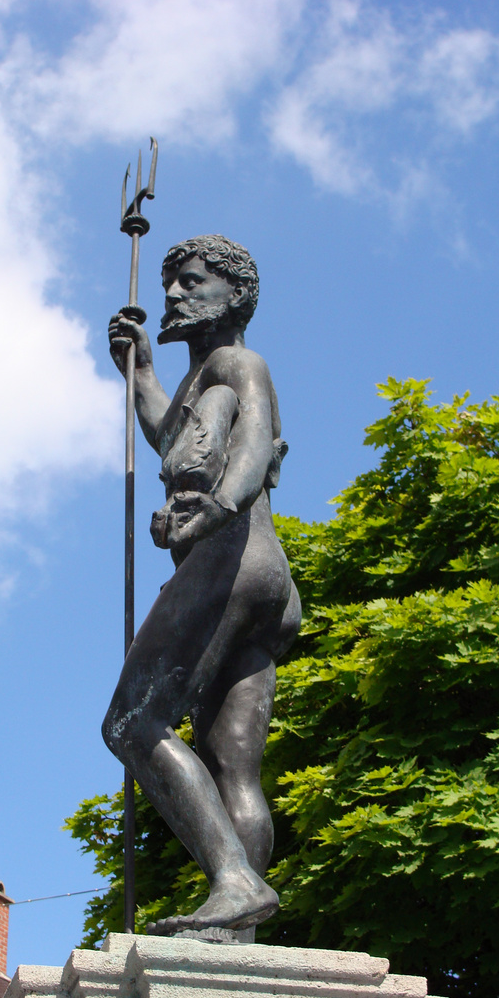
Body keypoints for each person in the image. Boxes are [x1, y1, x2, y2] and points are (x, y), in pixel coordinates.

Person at [103, 235, 301, 935]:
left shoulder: (237, 363)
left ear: (235, 295)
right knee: (232, 767)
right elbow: (170, 436)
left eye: (192, 283)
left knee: (132, 723)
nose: (175, 297)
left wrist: (215, 509)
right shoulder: (199, 381)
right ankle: (236, 929)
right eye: (171, 285)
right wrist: (139, 372)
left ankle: (233, 880)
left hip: (227, 557)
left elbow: (251, 443)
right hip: (266, 576)